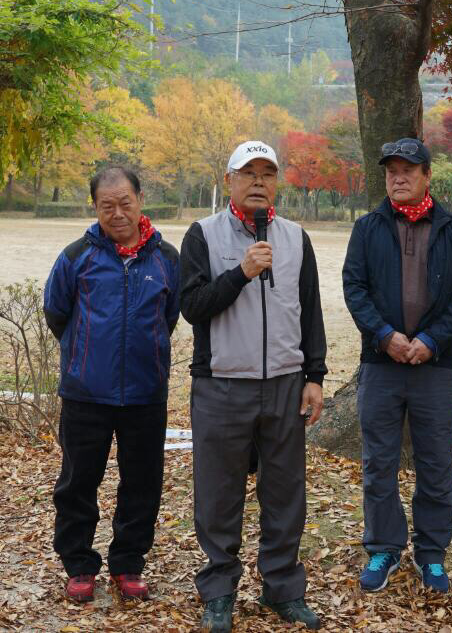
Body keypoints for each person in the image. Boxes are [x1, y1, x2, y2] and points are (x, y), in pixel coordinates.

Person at [180, 140, 327, 633]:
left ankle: (282, 587)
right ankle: (219, 590)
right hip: (222, 383)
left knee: (285, 493)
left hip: (285, 383)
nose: (259, 181)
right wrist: (241, 272)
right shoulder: (202, 235)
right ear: (229, 181)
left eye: (268, 173)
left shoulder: (295, 238)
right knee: (218, 494)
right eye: (249, 173)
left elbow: (310, 311)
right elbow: (192, 307)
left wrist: (314, 376)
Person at [342, 137, 452, 594]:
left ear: (427, 175)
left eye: (408, 170)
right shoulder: (368, 228)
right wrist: (384, 336)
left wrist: (431, 341)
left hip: (435, 367)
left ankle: (431, 553)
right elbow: (354, 287)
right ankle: (383, 546)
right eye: (391, 171)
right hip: (380, 365)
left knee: (435, 463)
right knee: (378, 463)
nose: (398, 178)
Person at [43, 166, 181, 603]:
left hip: (145, 392)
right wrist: (85, 354)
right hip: (86, 393)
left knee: (142, 483)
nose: (117, 213)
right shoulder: (76, 256)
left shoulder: (166, 258)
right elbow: (56, 313)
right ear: (95, 207)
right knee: (78, 483)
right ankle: (79, 565)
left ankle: (128, 563)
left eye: (125, 203)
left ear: (140, 200)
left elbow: (170, 316)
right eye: (107, 206)